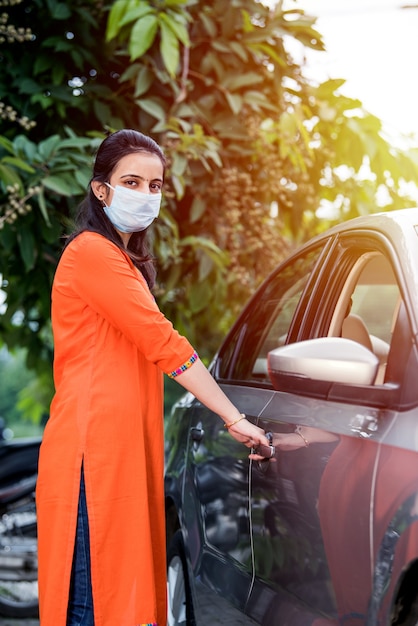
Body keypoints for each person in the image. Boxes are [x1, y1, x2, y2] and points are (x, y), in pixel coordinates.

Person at [36, 129, 268, 626]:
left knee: (113, 600)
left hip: (115, 449)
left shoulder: (120, 259)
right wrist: (232, 416)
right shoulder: (92, 253)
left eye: (156, 185)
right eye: (132, 182)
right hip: (90, 457)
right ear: (102, 189)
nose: (145, 195)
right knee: (92, 607)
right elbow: (164, 342)